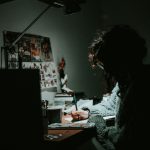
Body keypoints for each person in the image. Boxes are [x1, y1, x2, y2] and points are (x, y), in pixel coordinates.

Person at [85, 24, 150, 150]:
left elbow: (127, 140)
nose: (109, 74)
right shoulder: (124, 82)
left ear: (124, 59)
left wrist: (102, 128)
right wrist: (88, 111)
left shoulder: (142, 85)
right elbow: (109, 105)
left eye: (110, 67)